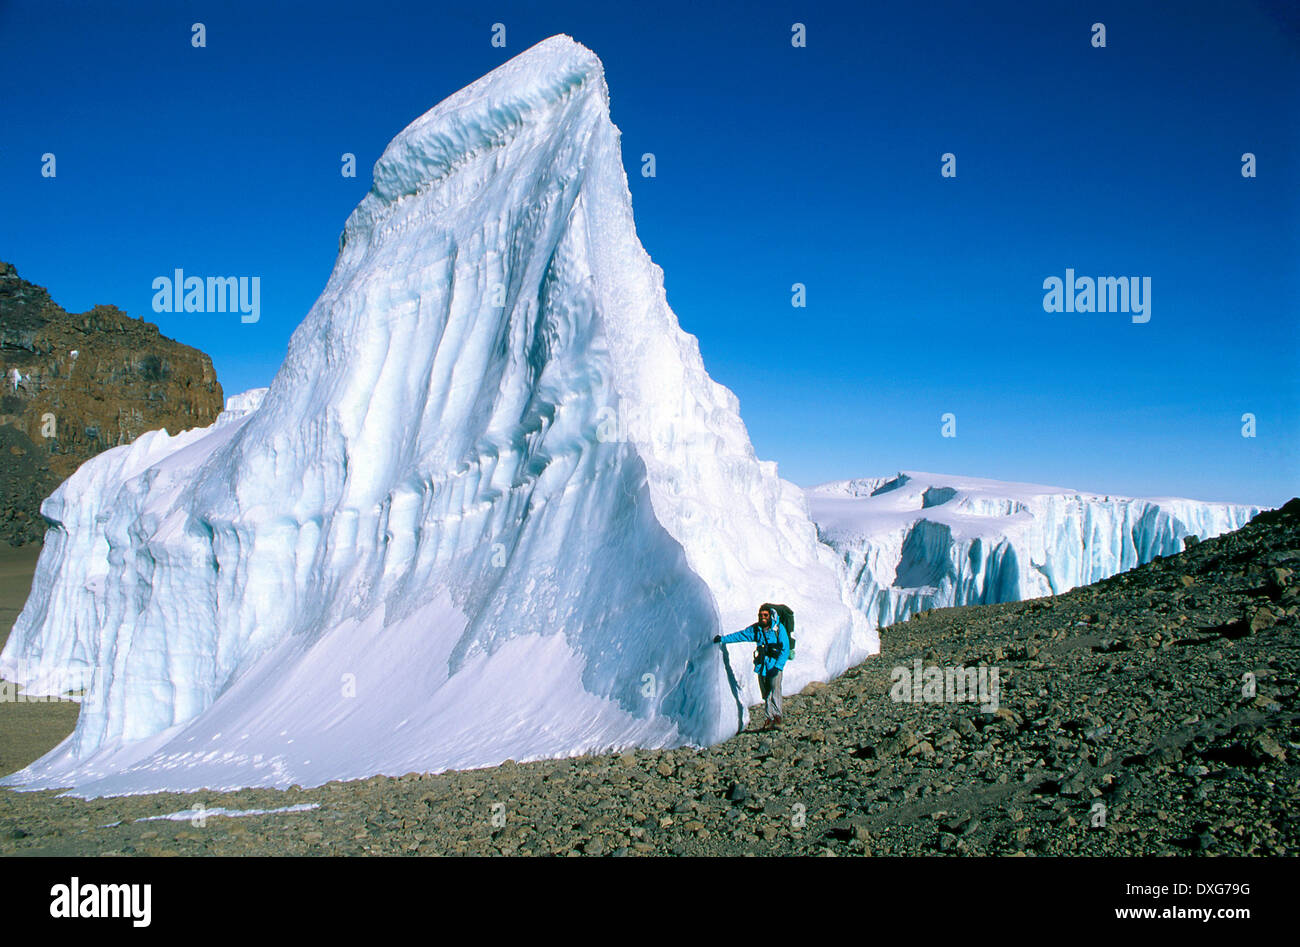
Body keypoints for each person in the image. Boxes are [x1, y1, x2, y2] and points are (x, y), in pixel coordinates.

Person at [713, 605, 789, 730]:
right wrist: (723, 639)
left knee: (774, 690)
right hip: (762, 666)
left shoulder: (778, 629)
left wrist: (778, 666)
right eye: (761, 615)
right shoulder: (757, 629)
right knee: (766, 692)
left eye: (765, 615)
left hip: (774, 665)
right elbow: (741, 635)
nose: (763, 617)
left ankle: (777, 717)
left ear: (770, 616)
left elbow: (784, 649)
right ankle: (769, 718)